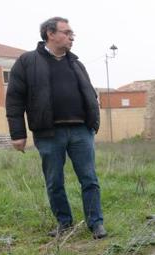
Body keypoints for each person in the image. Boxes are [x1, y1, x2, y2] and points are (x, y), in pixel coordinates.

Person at [6, 16, 107, 239]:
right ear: (50, 34)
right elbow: (14, 99)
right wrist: (18, 134)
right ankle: (64, 223)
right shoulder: (27, 62)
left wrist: (94, 121)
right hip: (48, 132)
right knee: (54, 181)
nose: (71, 37)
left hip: (81, 130)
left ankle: (96, 223)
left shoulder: (76, 63)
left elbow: (89, 92)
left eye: (72, 34)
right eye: (66, 32)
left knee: (89, 179)